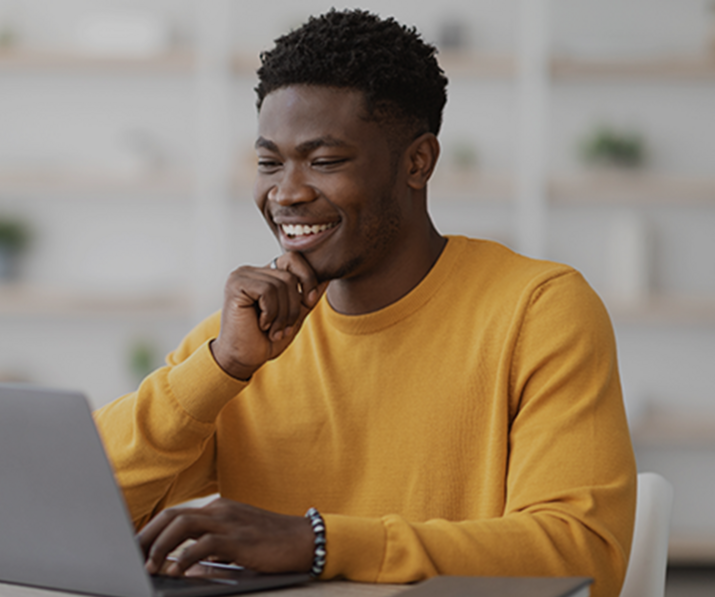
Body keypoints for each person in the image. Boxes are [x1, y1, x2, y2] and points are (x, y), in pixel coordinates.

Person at [93, 9, 636, 597]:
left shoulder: (538, 310)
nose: (287, 193)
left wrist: (317, 543)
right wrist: (220, 367)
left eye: (324, 162)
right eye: (269, 162)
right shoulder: (244, 342)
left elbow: (581, 554)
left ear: (417, 162)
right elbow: (80, 509)